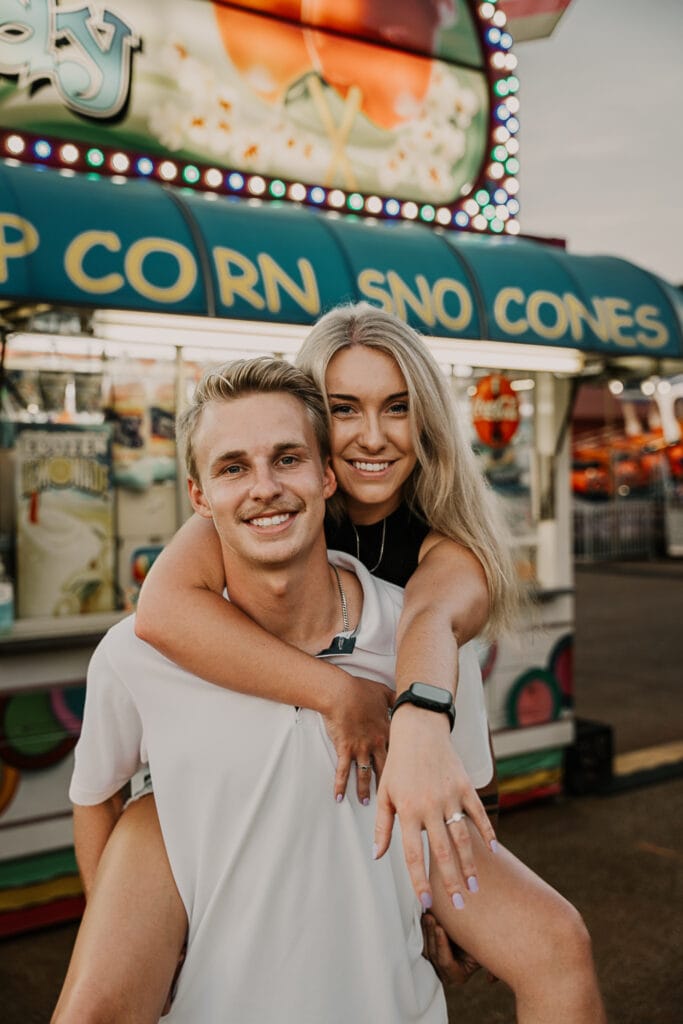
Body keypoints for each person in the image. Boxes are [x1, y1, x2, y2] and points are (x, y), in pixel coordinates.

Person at [56, 357, 494, 1022]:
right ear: (199, 496)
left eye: (286, 459)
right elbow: (94, 798)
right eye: (232, 467)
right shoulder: (133, 655)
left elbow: (461, 809)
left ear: (325, 475)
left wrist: (444, 909)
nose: (263, 487)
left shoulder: (416, 647)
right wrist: (129, 944)